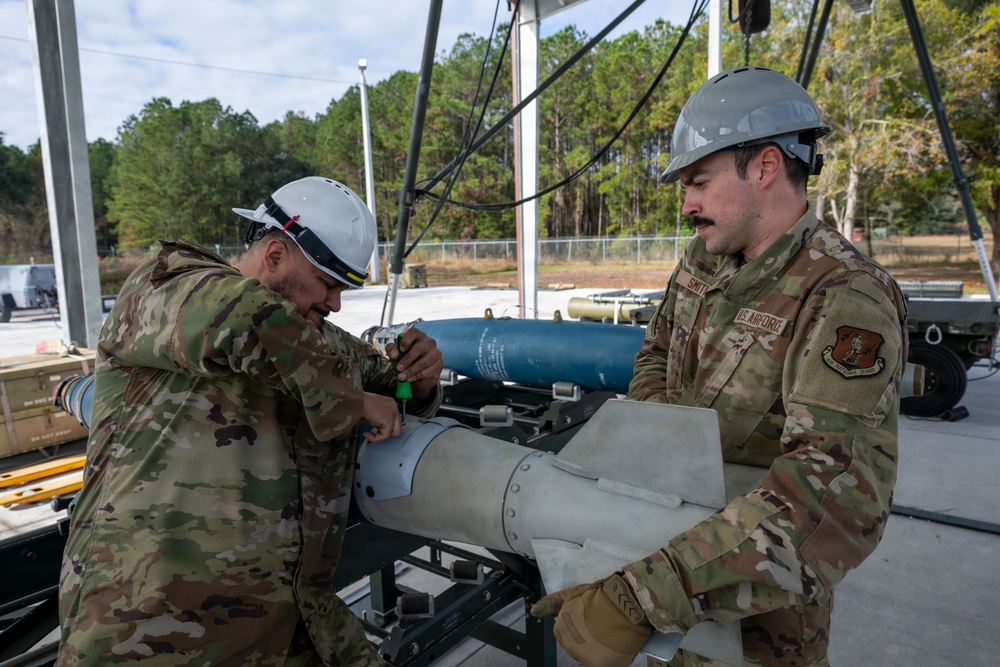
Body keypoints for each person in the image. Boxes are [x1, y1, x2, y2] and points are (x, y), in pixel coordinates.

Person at [531, 67, 907, 666]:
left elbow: (832, 498)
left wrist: (643, 596)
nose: (687, 205)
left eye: (699, 182)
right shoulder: (705, 261)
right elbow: (656, 353)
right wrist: (660, 451)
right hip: (666, 555)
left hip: (760, 614)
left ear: (763, 167)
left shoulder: (843, 296)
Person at [57, 176, 444, 666]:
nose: (336, 303)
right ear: (277, 254)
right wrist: (357, 401)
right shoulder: (167, 289)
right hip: (150, 631)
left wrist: (423, 376)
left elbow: (391, 383)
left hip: (293, 623)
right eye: (328, 284)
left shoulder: (320, 341)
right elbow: (240, 320)